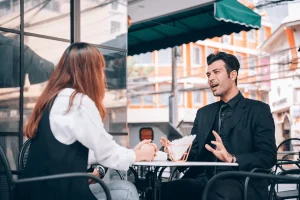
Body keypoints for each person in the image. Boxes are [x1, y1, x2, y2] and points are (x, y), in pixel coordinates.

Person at [17, 42, 157, 200]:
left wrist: (134, 152)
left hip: (34, 192)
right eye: (100, 69)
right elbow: (107, 154)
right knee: (127, 190)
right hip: (60, 193)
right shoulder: (77, 102)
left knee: (123, 187)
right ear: (90, 72)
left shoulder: (52, 99)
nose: (103, 75)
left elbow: (80, 152)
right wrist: (138, 155)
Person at [160, 51, 277, 200]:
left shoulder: (258, 110)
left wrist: (232, 158)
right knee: (161, 191)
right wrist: (175, 152)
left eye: (216, 72)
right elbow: (193, 152)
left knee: (216, 193)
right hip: (202, 179)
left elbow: (268, 156)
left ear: (233, 75)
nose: (211, 78)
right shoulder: (204, 113)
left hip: (240, 180)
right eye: (208, 75)